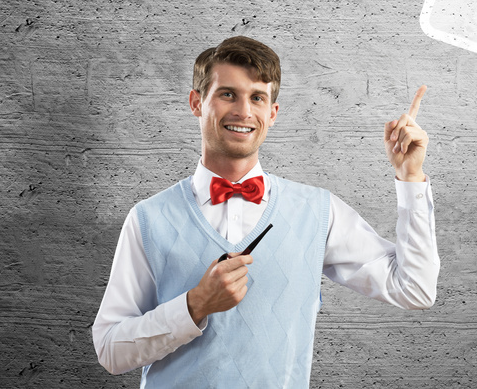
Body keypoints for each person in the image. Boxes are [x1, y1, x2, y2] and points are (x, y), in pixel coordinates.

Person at [92, 36, 439, 387]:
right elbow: (109, 350)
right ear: (197, 103)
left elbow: (415, 289)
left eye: (257, 97)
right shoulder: (148, 219)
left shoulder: (318, 212)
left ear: (272, 113)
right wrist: (194, 305)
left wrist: (410, 177)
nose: (244, 111)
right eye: (228, 94)